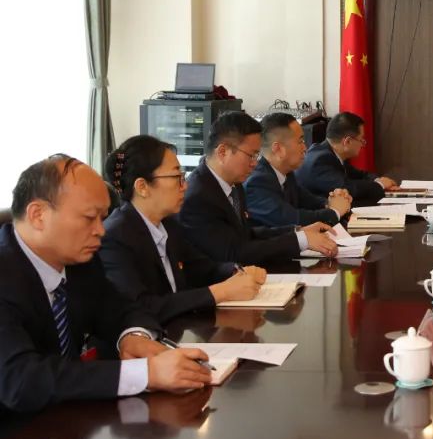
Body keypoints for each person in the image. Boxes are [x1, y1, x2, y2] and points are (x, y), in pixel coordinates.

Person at [0, 155, 213, 413]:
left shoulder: (79, 262)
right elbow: (20, 379)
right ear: (38, 215)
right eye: (89, 218)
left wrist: (133, 336)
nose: (101, 231)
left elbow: (120, 307)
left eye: (103, 217)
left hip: (67, 417)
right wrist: (145, 373)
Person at [99, 135, 268, 324]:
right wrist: (220, 292)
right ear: (142, 187)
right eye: (176, 178)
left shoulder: (168, 224)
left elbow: (202, 268)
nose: (185, 186)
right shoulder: (114, 237)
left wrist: (237, 272)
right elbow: (141, 307)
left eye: (183, 177)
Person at [179, 112, 338, 263]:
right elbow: (233, 253)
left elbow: (247, 234)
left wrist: (298, 231)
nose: (255, 163)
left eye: (257, 156)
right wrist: (300, 240)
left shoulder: (234, 184)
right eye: (251, 155)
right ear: (222, 152)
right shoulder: (198, 197)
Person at [244, 112, 352, 228]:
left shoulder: (287, 173)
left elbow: (309, 201)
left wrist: (333, 201)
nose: (305, 148)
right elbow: (292, 219)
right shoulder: (257, 182)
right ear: (278, 149)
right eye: (300, 141)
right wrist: (335, 211)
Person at [296, 112, 397, 206]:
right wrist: (380, 185)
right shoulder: (320, 160)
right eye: (361, 139)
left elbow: (361, 175)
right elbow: (348, 188)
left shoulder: (329, 153)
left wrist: (378, 180)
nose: (363, 144)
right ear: (347, 141)